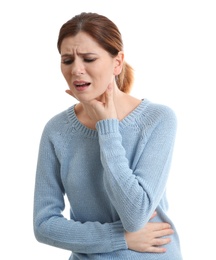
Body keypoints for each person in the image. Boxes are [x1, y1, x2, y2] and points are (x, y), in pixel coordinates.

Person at [33, 12, 183, 260]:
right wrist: (120, 238)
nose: (76, 70)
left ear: (117, 62)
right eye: (67, 60)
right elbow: (44, 225)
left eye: (89, 59)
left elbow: (135, 215)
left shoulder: (158, 119)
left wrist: (108, 128)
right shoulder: (56, 130)